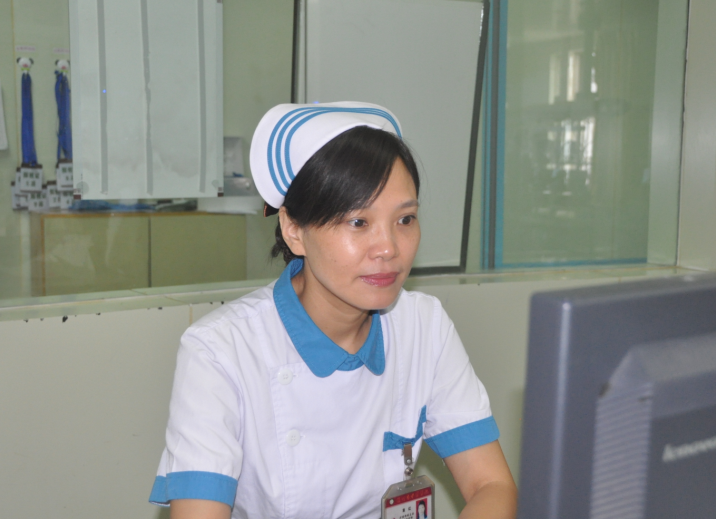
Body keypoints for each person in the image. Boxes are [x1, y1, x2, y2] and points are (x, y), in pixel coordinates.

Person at [149, 101, 517, 519]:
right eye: (358, 222)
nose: (388, 248)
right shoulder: (220, 350)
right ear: (294, 230)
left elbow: (491, 485)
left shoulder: (423, 325)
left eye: (405, 219)